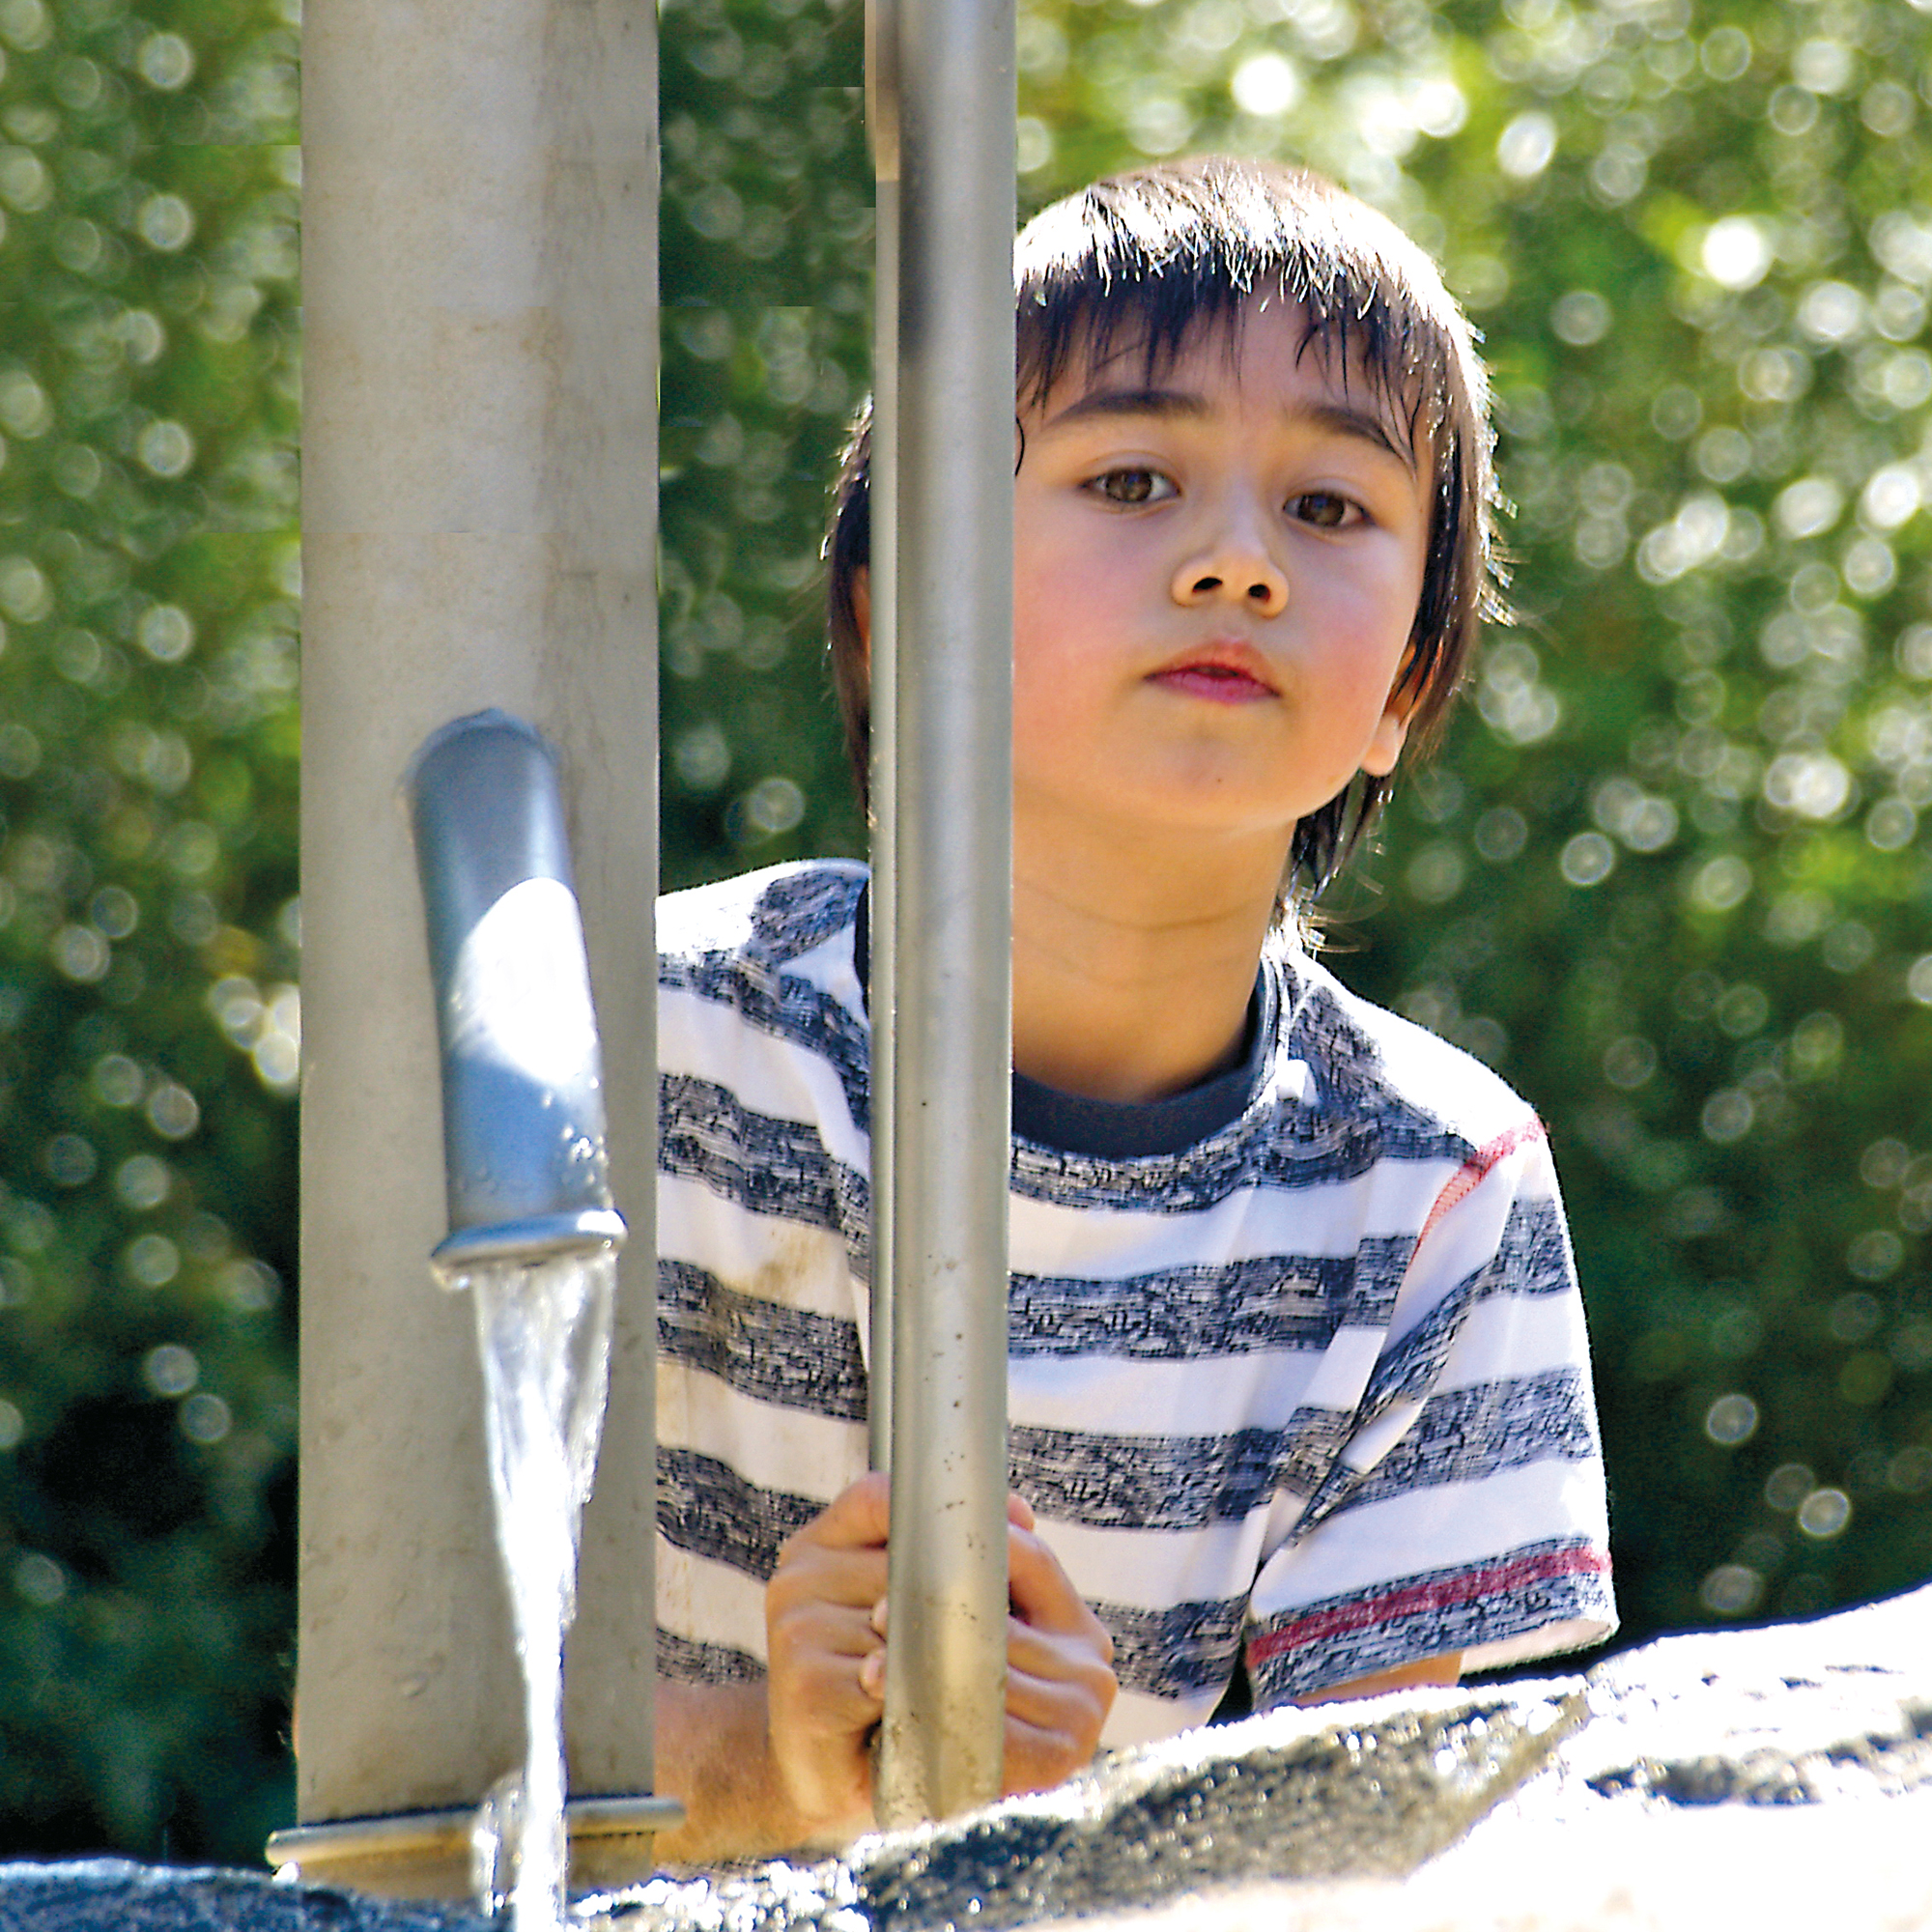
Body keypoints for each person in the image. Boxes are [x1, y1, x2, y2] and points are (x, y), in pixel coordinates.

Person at [650, 156, 1615, 1862]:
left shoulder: (1441, 1196)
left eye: (1330, 509)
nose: (1238, 562)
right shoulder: (661, 1045)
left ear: (1404, 683)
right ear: (900, 613)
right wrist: (794, 1770)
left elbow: (1383, 1857)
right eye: (1136, 475)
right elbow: (406, 1742)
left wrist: (1084, 1818)